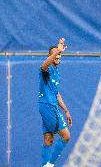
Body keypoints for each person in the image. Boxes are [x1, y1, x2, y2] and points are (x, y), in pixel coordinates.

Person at [38, 38, 72, 167]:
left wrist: (66, 110)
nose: (58, 55)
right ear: (50, 56)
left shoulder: (56, 73)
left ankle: (45, 165)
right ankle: (50, 165)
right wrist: (57, 50)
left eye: (59, 54)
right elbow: (44, 66)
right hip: (47, 106)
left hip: (51, 106)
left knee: (48, 140)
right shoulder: (46, 69)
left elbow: (56, 94)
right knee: (66, 136)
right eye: (55, 53)